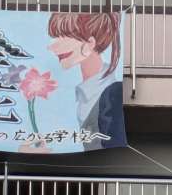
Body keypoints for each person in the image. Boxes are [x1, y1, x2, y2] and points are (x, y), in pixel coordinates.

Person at [47, 12, 126, 150]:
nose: (51, 47)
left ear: (90, 43)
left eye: (63, 37)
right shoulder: (84, 92)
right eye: (55, 37)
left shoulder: (112, 94)